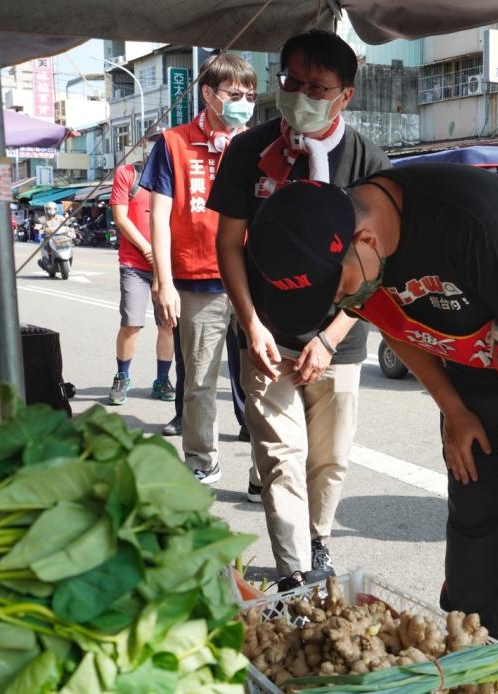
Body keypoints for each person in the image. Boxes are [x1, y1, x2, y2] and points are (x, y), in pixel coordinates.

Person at [243, 166, 498, 692]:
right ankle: (469, 667)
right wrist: (453, 409)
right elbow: (393, 323)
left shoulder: (468, 219)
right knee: (475, 511)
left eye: (338, 292)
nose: (339, 305)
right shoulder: (354, 258)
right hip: (471, 355)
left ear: (365, 240)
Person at [209, 30, 391, 591]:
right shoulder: (248, 151)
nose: (301, 94)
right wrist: (251, 323)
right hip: (267, 333)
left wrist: (332, 337)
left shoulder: (366, 159)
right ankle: (294, 572)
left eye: (317, 86)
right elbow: (228, 243)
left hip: (339, 339)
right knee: (281, 457)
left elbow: (379, 262)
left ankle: (319, 541)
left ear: (346, 95)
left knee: (328, 460)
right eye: (291, 82)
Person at [140, 53, 258, 482]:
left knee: (259, 381)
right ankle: (202, 462)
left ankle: (263, 473)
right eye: (234, 94)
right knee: (200, 382)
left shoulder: (259, 143)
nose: (243, 101)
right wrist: (163, 280)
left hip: (252, 280)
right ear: (208, 94)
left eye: (249, 94)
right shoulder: (173, 142)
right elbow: (158, 216)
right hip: (197, 281)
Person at [107, 162, 176, 405]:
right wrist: (147, 249)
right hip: (133, 263)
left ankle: (162, 380)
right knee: (131, 324)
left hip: (167, 264)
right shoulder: (127, 173)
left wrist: (160, 256)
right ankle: (122, 376)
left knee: (168, 323)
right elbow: (120, 217)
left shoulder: (174, 173)